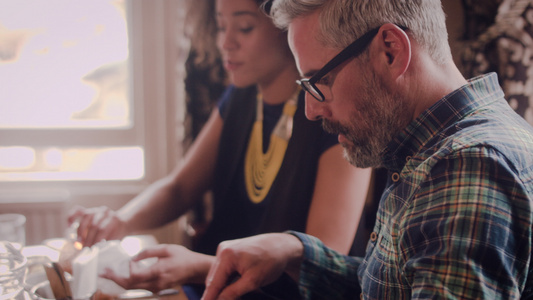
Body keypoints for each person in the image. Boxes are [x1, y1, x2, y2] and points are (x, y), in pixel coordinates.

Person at [200, 0, 533, 299]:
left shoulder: (465, 170)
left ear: (391, 50)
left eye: (320, 81)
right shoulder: (431, 148)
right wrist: (294, 253)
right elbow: (395, 286)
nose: (311, 111)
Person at [67, 0, 372, 295]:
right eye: (220, 26)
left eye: (244, 27)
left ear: (287, 27)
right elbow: (179, 187)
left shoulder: (333, 116)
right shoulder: (241, 97)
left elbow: (325, 261)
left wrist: (200, 267)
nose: (225, 42)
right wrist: (121, 220)